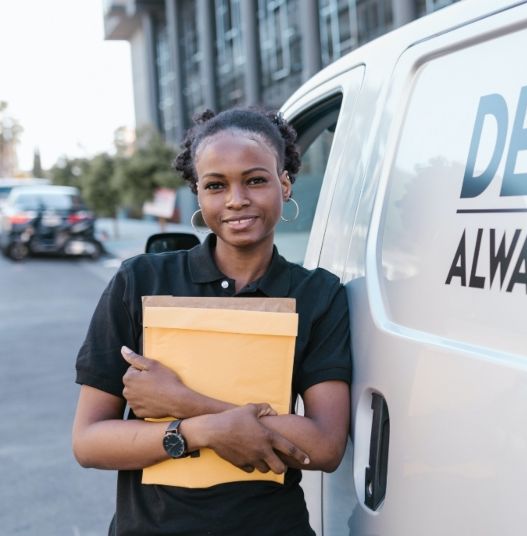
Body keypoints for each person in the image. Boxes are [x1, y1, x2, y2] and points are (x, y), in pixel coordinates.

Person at [71, 108, 351, 535]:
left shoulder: (318, 295)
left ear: (286, 183)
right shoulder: (140, 281)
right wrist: (201, 431)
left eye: (255, 180)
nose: (236, 199)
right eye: (216, 185)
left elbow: (325, 447)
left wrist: (185, 401)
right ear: (198, 195)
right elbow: (88, 442)